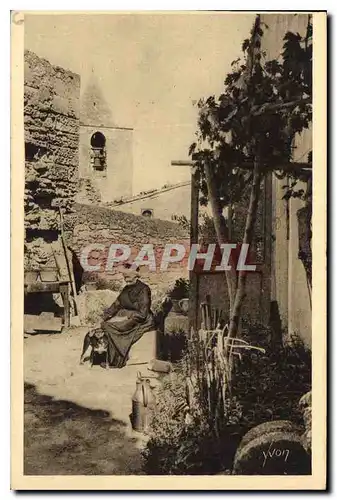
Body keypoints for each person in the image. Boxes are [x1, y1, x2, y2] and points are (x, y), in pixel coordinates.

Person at [80, 263, 154, 368]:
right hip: (127, 316)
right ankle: (97, 354)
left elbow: (143, 313)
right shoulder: (126, 289)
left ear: (136, 276)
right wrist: (102, 318)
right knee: (103, 324)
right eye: (125, 277)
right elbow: (115, 305)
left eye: (128, 277)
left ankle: (115, 360)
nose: (126, 280)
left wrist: (125, 317)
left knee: (109, 327)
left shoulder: (144, 289)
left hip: (141, 320)